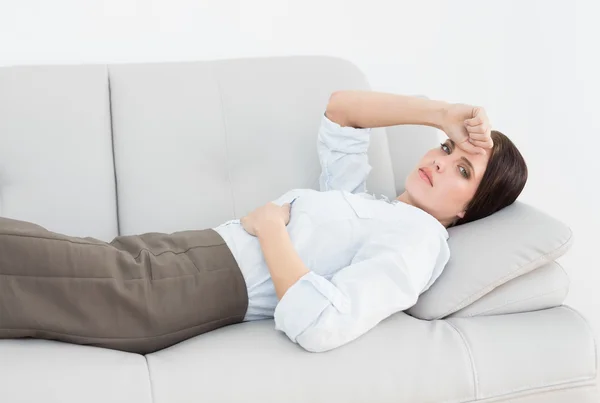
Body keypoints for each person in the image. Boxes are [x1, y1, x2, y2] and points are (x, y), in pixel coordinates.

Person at [0, 91, 527, 355]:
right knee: (33, 273)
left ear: (468, 209)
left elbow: (322, 325)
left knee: (28, 259)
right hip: (192, 250)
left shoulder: (421, 240)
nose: (438, 160)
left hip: (205, 284)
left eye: (462, 169)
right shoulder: (373, 207)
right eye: (445, 149)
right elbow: (342, 110)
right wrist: (440, 114)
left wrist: (272, 229)